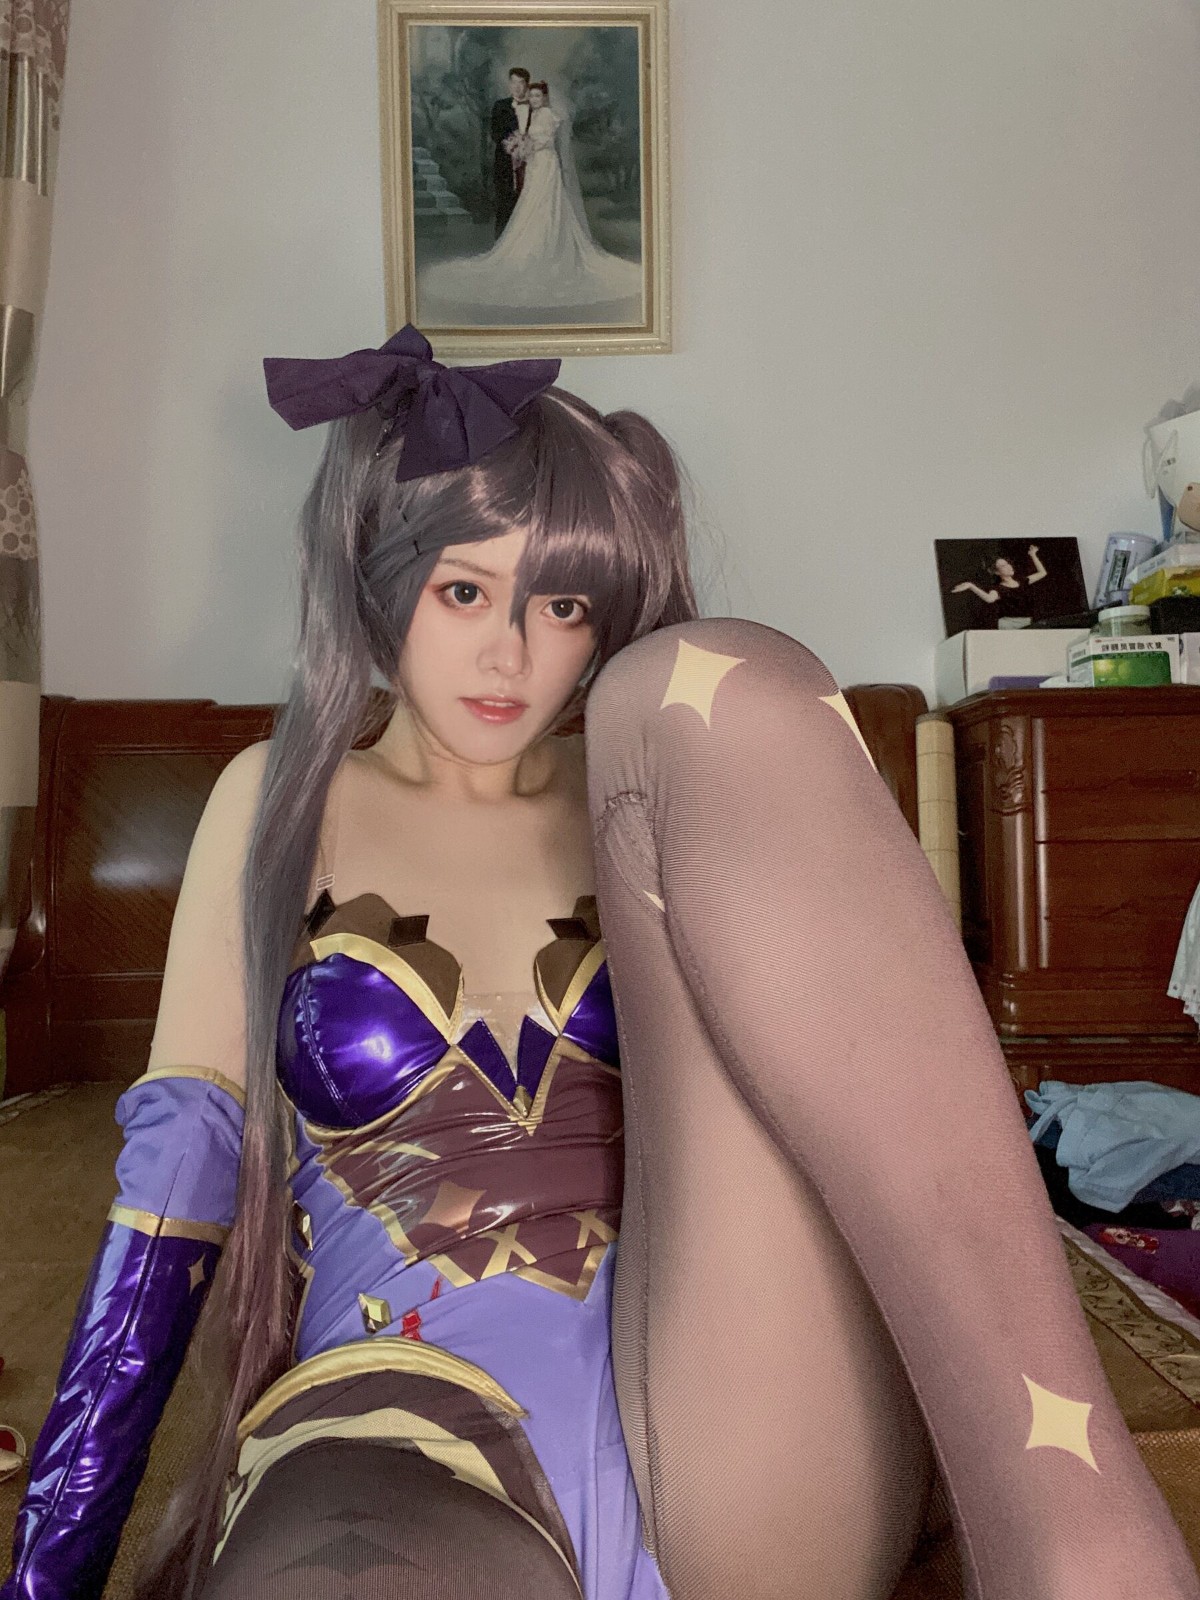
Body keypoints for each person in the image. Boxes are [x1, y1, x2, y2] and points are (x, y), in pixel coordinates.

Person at [4, 324, 1199, 1600]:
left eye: (563, 603)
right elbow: (176, 1182)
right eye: (464, 591)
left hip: (736, 1389)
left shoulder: (658, 790)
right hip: (401, 1404)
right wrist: (46, 1573)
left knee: (711, 680)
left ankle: (1077, 1538)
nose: (513, 654)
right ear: (373, 575)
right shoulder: (282, 800)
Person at [435, 81, 642, 313]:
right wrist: (519, 148)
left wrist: (526, 146)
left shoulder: (549, 116)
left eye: (537, 96)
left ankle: (550, 248)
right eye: (531, 96)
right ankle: (528, 246)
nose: (534, 99)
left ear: (544, 98)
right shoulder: (532, 115)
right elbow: (528, 140)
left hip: (546, 164)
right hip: (534, 166)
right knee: (530, 204)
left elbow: (546, 141)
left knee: (546, 205)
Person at [490, 66, 532, 238]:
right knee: (505, 202)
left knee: (529, 202)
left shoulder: (534, 106)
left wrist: (526, 148)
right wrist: (512, 146)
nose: (517, 87)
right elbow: (495, 133)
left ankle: (527, 242)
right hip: (505, 162)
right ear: (509, 84)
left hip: (531, 163)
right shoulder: (500, 106)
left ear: (527, 85)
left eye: (521, 83)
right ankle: (502, 243)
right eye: (513, 82)